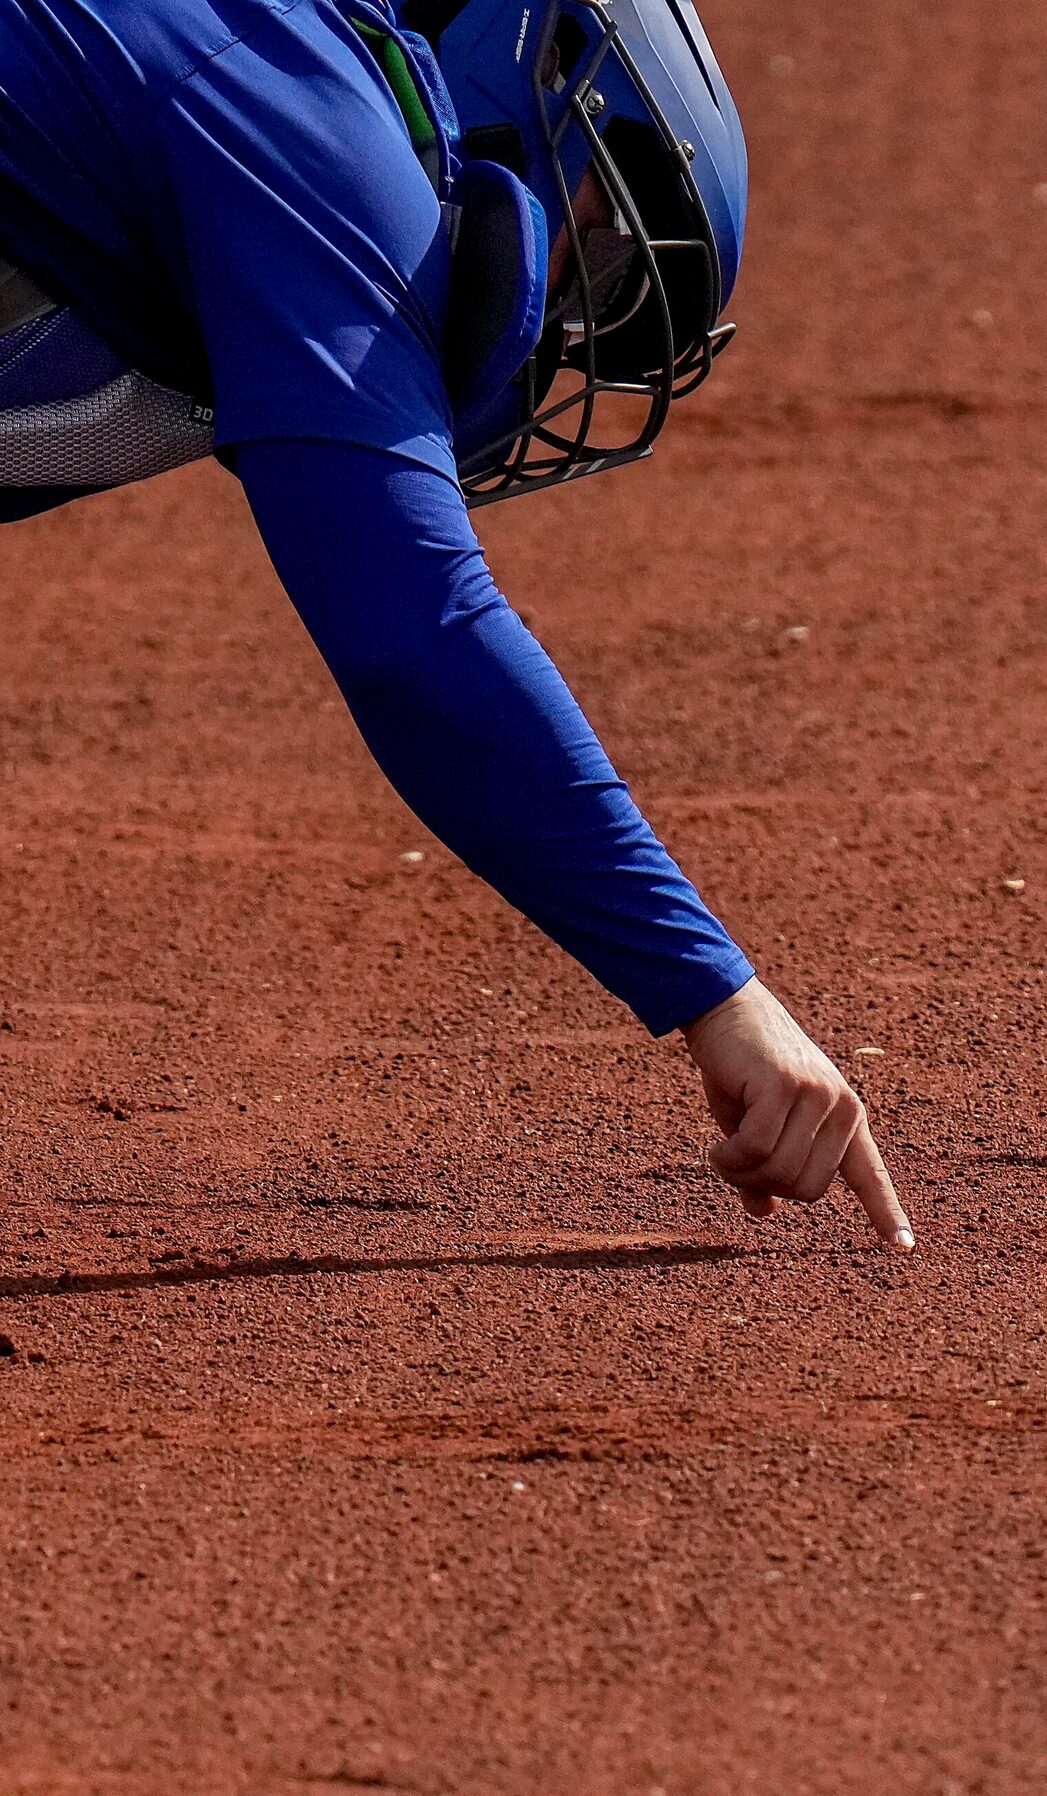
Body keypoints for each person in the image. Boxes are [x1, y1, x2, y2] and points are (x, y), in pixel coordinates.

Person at [0, 0, 914, 1247]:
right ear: (529, 79)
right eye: (591, 255)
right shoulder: (322, 132)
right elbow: (415, 634)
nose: (557, 336)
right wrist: (716, 993)